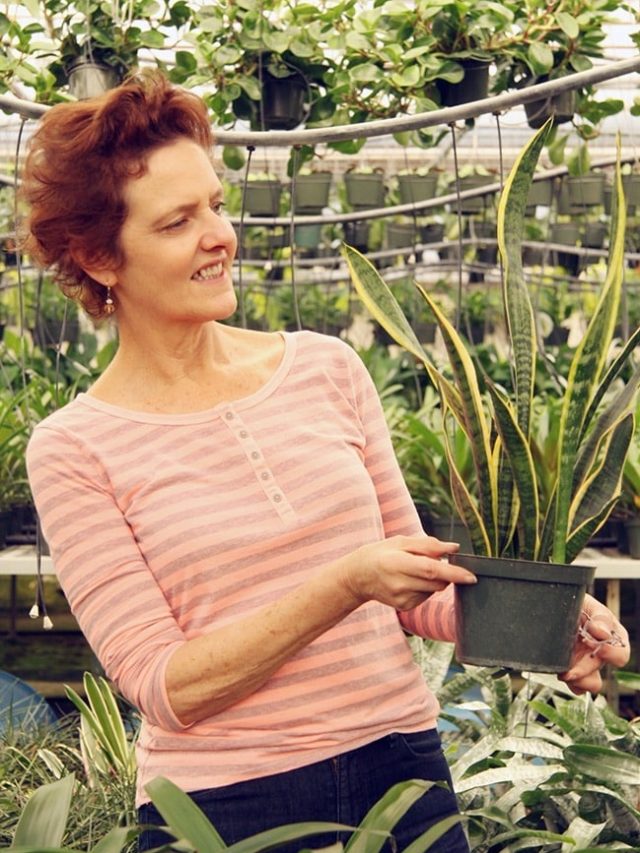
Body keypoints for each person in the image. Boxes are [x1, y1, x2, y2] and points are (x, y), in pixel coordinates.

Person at [22, 72, 629, 852]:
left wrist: (550, 625)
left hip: (404, 771)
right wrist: (343, 584)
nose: (219, 236)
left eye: (216, 205)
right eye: (178, 222)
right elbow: (166, 687)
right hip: (225, 807)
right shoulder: (76, 446)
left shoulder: (326, 367)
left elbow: (415, 591)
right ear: (99, 257)